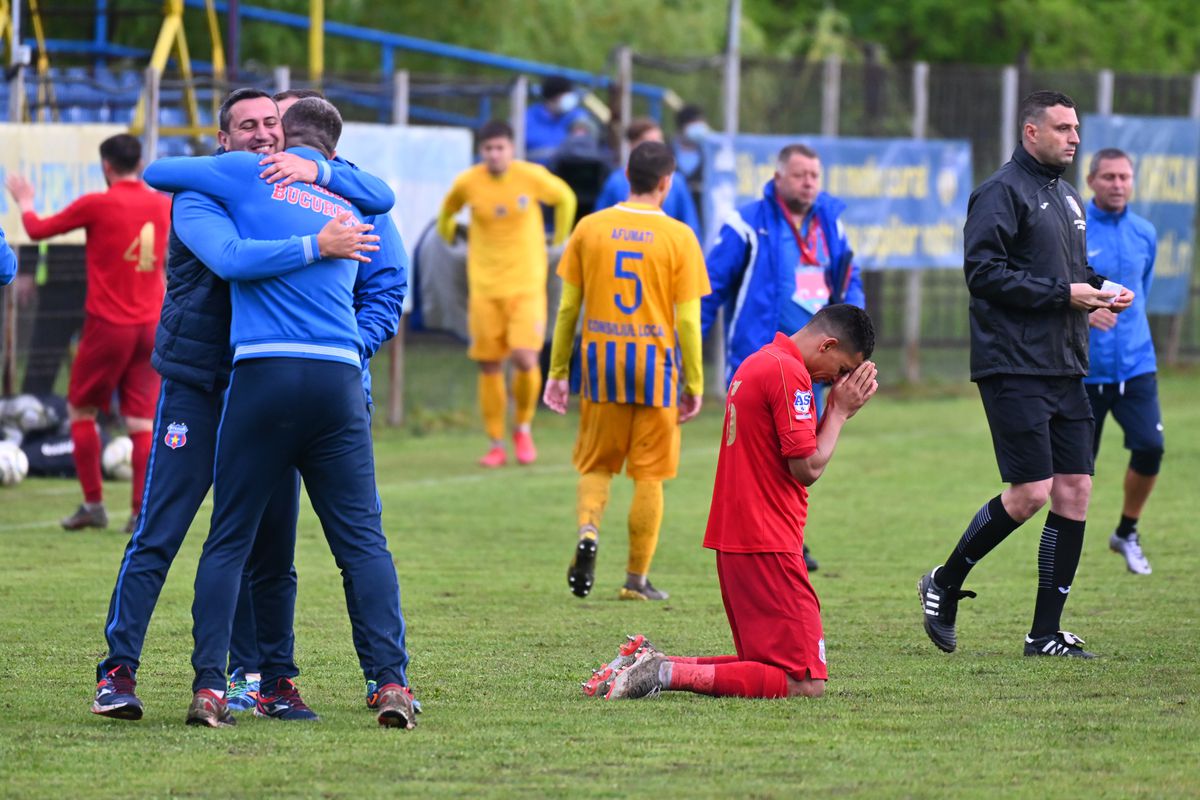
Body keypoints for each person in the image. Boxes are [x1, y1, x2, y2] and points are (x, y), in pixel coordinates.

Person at [92, 88, 401, 723]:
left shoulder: (312, 186)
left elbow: (384, 271)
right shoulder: (207, 192)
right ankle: (118, 672)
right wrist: (315, 243)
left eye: (273, 125)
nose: (265, 134)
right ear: (224, 139)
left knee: (271, 550)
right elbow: (231, 262)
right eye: (250, 126)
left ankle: (269, 681)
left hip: (263, 386)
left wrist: (353, 346)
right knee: (162, 532)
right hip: (200, 387)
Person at [917, 91, 1135, 660]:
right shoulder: (999, 192)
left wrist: (1101, 292)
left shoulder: (1066, 197)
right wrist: (1067, 294)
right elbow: (984, 274)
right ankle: (944, 580)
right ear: (1031, 132)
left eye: (1077, 128)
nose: (1074, 138)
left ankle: (1043, 634)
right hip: (1012, 362)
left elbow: (1071, 272)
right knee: (1030, 493)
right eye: (1062, 127)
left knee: (1076, 490)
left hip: (1065, 364)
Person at [581, 304, 877, 700]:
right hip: (768, 540)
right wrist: (838, 413)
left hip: (740, 540)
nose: (838, 381)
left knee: (761, 664)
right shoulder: (790, 374)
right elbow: (806, 467)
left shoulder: (759, 362)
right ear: (827, 344)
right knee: (805, 683)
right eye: (842, 370)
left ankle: (649, 662)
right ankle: (662, 672)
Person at [544, 141, 711, 601]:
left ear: (625, 174)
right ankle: (636, 580)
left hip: (600, 366)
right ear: (666, 183)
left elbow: (567, 310)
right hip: (655, 369)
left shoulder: (590, 227)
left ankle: (589, 532)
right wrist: (693, 382)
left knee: (597, 464)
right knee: (649, 475)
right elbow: (689, 322)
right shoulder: (679, 237)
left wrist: (559, 371)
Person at [702, 143, 866, 572]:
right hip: (759, 360)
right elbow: (712, 286)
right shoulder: (747, 223)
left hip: (815, 364)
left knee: (802, 449)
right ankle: (754, 536)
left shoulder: (832, 225)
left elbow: (851, 283)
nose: (809, 182)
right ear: (777, 177)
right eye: (799, 174)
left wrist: (855, 344)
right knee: (761, 454)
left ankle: (789, 535)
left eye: (814, 174)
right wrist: (690, 354)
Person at [7, 134, 170, 533]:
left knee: (81, 410)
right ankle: (138, 512)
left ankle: (94, 504)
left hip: (107, 326)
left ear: (106, 167)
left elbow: (38, 228)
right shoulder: (163, 204)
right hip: (151, 324)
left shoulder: (98, 204)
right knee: (141, 421)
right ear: (140, 161)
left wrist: (26, 201)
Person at [437, 120, 577, 467]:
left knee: (525, 358)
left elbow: (565, 198)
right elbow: (447, 212)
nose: (495, 154)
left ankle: (524, 428)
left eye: (500, 148)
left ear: (511, 149)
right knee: (489, 365)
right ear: (481, 152)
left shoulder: (530, 176)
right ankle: (496, 442)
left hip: (526, 284)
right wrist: (449, 233)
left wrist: (559, 239)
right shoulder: (468, 183)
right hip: (484, 287)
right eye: (488, 149)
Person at [1083, 148, 1162, 576]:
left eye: (1124, 177)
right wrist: (1084, 313)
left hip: (1137, 365)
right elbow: (1063, 289)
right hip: (1083, 372)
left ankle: (1126, 532)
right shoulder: (1073, 229)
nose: (1117, 184)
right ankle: (1065, 554)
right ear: (1092, 180)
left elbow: (1140, 292)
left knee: (1151, 447)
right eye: (1109, 176)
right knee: (1078, 473)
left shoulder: (1145, 232)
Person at [594, 118, 701, 240]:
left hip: (665, 252)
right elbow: (600, 224)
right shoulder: (616, 181)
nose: (657, 147)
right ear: (632, 145)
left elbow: (692, 227)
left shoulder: (676, 181)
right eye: (650, 142)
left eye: (660, 141)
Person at [525, 75, 588, 165]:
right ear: (553, 98)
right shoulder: (527, 119)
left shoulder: (575, 114)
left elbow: (586, 131)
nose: (570, 100)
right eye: (566, 95)